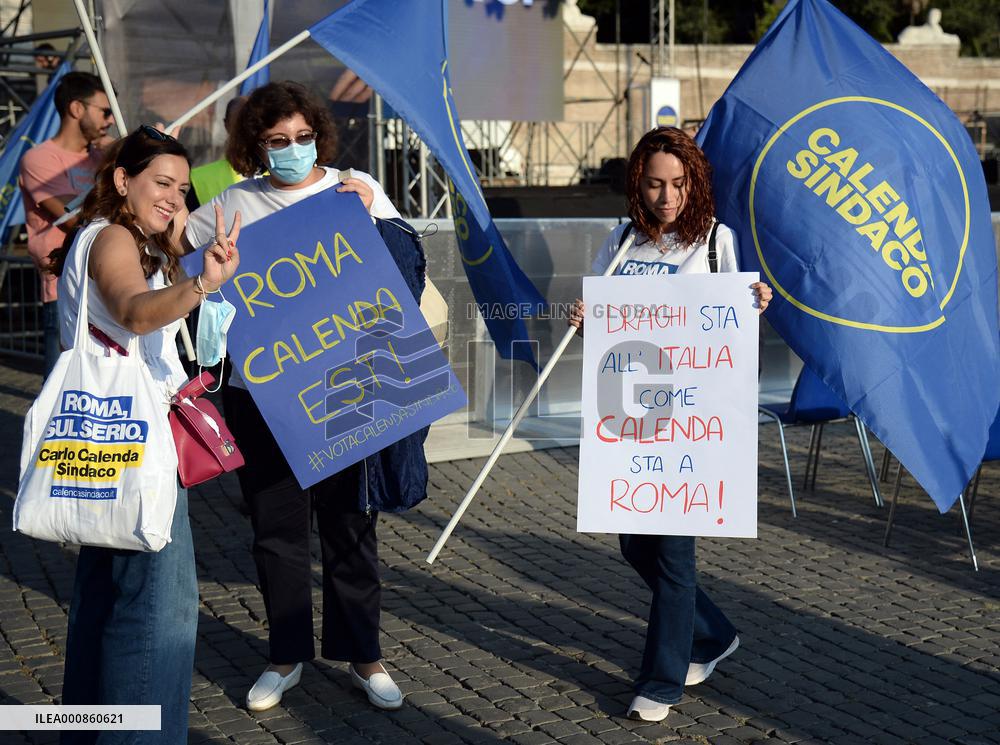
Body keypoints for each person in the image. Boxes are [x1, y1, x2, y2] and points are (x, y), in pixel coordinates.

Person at [184, 80, 411, 713]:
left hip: (348, 386)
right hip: (262, 394)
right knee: (275, 530)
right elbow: (178, 262)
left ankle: (365, 656)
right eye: (278, 140)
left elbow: (405, 265)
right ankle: (284, 656)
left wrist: (376, 211)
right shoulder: (228, 204)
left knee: (349, 525)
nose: (293, 149)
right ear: (255, 144)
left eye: (304, 138)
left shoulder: (353, 187)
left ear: (319, 135)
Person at [568, 126, 773, 723]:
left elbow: (729, 330)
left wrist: (752, 304)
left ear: (694, 183)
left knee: (676, 558)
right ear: (639, 184)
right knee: (636, 546)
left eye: (679, 184)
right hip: (632, 420)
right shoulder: (622, 242)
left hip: (688, 423)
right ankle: (713, 634)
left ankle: (660, 682)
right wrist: (586, 318)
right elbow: (607, 329)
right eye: (656, 184)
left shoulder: (715, 242)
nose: (667, 197)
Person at [50, 125, 241, 743]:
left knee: (104, 601)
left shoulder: (122, 238)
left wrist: (186, 252)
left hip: (105, 439)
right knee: (158, 612)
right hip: (135, 444)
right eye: (162, 184)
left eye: (183, 188)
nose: (175, 198)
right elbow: (134, 311)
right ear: (121, 180)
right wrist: (204, 284)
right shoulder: (109, 237)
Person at [20, 71, 114, 377]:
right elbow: (73, 219)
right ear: (76, 109)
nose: (110, 120)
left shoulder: (103, 158)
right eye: (105, 111)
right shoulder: (39, 160)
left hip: (107, 284)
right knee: (60, 391)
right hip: (64, 290)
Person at [187, 95, 248, 210]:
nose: (245, 131)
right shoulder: (198, 179)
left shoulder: (278, 173)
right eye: (238, 124)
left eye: (252, 124)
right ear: (226, 125)